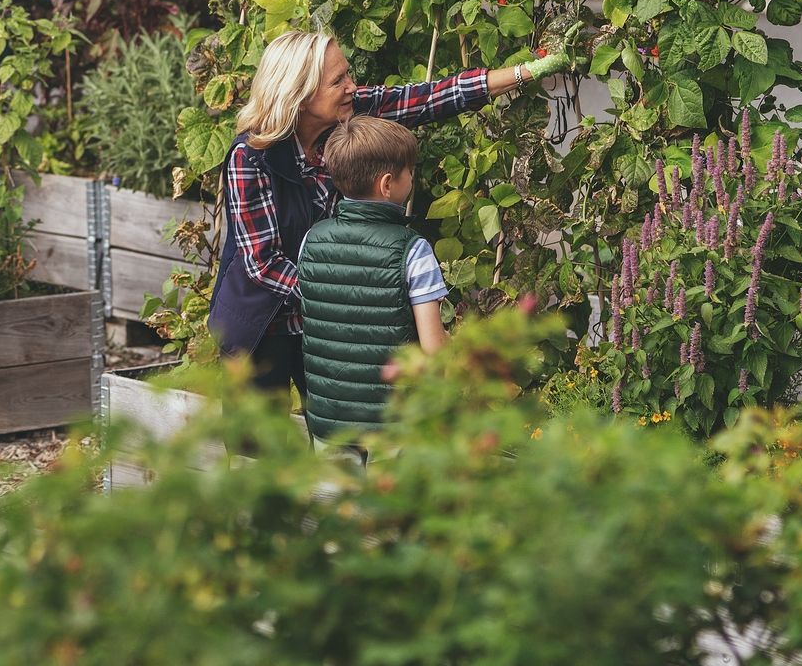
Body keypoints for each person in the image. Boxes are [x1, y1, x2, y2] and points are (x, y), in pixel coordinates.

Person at [208, 30, 569, 403]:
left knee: (340, 434)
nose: (352, 87)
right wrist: (351, 298)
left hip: (321, 325)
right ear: (299, 96)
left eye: (348, 74)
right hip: (261, 324)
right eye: (338, 81)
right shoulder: (251, 157)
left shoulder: (345, 117)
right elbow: (263, 263)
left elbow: (428, 99)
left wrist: (527, 71)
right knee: (259, 450)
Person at [297, 116, 449, 443]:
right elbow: (435, 354)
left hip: (328, 424)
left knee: (334, 496)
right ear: (387, 184)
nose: (413, 177)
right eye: (409, 171)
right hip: (393, 429)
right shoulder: (414, 251)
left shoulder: (312, 240)